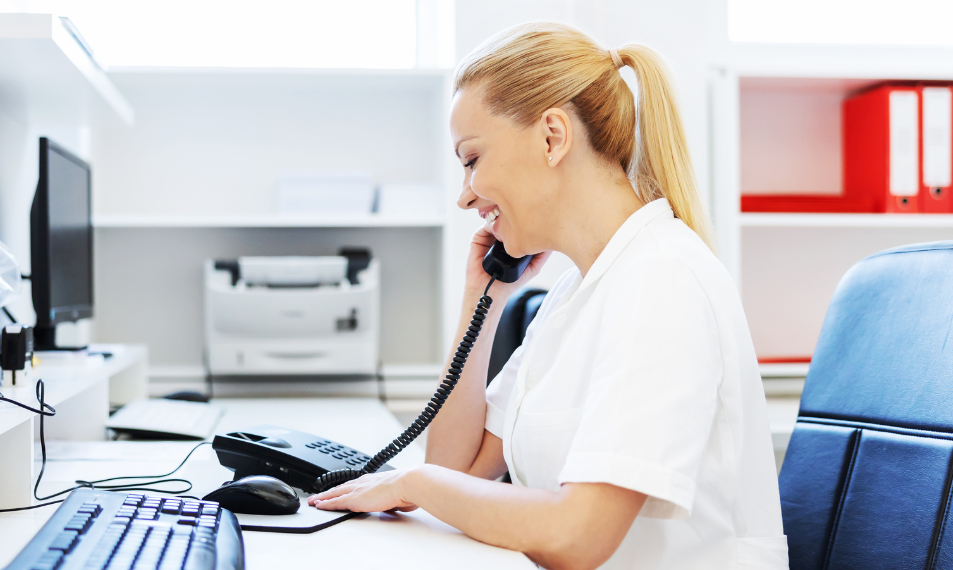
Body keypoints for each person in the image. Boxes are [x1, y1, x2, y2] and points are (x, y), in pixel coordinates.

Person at [309, 22, 787, 569]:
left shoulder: (662, 281)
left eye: (471, 159)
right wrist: (481, 300)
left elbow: (577, 536)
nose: (466, 196)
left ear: (552, 137)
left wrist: (413, 483)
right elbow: (457, 468)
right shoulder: (576, 292)